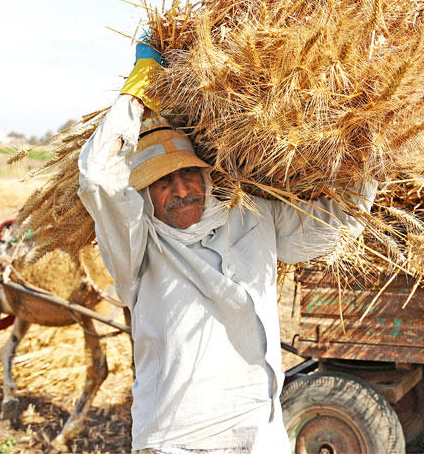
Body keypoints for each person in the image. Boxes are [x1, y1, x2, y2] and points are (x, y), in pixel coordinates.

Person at [77, 38, 376, 454]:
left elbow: (333, 225)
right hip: (177, 437)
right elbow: (98, 179)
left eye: (188, 176)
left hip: (259, 430)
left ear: (205, 175)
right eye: (163, 182)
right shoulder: (138, 249)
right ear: (144, 194)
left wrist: (371, 142)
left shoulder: (251, 216)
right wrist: (138, 89)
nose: (180, 190)